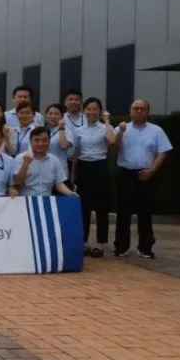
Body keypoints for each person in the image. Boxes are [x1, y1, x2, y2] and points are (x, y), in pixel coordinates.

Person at [114, 99, 172, 259]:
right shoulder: (122, 128)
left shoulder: (156, 130)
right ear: (130, 110)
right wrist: (120, 132)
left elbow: (163, 151)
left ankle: (145, 247)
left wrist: (152, 170)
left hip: (146, 175)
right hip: (125, 174)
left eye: (142, 108)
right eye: (136, 108)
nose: (139, 111)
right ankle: (121, 246)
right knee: (123, 212)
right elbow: (113, 146)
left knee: (145, 212)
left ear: (148, 111)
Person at [69, 98, 116, 257]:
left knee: (102, 206)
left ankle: (100, 243)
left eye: (95, 109)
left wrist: (107, 120)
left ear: (100, 111)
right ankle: (83, 242)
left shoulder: (105, 128)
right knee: (84, 207)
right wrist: (73, 174)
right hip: (84, 167)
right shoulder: (79, 130)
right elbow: (76, 153)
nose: (91, 112)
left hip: (100, 166)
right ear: (84, 111)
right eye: (88, 109)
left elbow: (112, 141)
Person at [13, 127, 78, 198]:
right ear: (31, 142)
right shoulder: (20, 158)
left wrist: (70, 193)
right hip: (27, 200)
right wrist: (25, 164)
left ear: (49, 142)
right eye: (36, 140)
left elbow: (58, 183)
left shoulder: (54, 160)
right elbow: (17, 183)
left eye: (44, 140)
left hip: (46, 200)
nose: (40, 143)